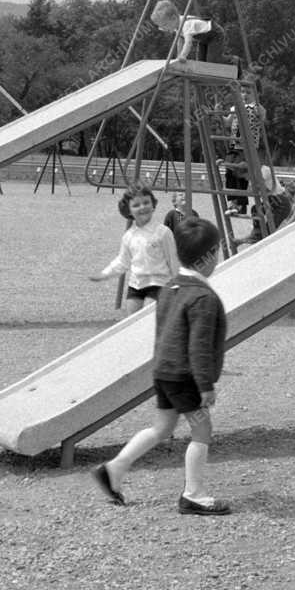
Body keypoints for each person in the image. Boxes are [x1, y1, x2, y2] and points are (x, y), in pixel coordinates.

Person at [92, 217, 230, 514]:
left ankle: (114, 469)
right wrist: (205, 385)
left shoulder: (169, 287)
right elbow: (199, 345)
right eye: (217, 251)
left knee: (162, 427)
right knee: (202, 429)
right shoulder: (203, 297)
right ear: (207, 257)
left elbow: (162, 329)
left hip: (164, 371)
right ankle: (193, 494)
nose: (217, 257)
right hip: (186, 377)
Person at [90, 183, 179, 316]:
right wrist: (104, 274)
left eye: (146, 202)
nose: (142, 207)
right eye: (136, 205)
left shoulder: (163, 232)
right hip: (136, 285)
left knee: (149, 319)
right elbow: (122, 261)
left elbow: (173, 259)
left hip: (159, 284)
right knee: (131, 321)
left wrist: (178, 284)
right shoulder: (129, 236)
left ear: (153, 205)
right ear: (129, 211)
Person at [223, 68, 267, 216]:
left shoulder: (256, 107)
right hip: (234, 144)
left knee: (240, 172)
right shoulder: (235, 107)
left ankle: (240, 205)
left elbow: (262, 117)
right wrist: (219, 115)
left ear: (256, 94)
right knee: (229, 171)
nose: (244, 95)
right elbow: (228, 123)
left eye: (248, 93)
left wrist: (259, 107)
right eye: (242, 91)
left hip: (248, 147)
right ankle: (233, 202)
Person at [150, 0, 228, 63]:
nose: (164, 29)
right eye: (161, 27)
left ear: (173, 18)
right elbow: (180, 40)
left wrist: (183, 56)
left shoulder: (185, 25)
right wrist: (178, 57)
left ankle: (235, 61)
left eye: (165, 25)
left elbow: (188, 42)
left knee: (213, 61)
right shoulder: (176, 26)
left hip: (215, 34)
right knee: (202, 63)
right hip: (204, 39)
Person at [242, 165, 294, 244]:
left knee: (269, 229)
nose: (246, 179)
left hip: (280, 200)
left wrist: (255, 186)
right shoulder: (256, 174)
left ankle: (259, 236)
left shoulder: (264, 170)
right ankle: (257, 233)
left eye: (246, 177)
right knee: (255, 209)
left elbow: (262, 186)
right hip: (273, 200)